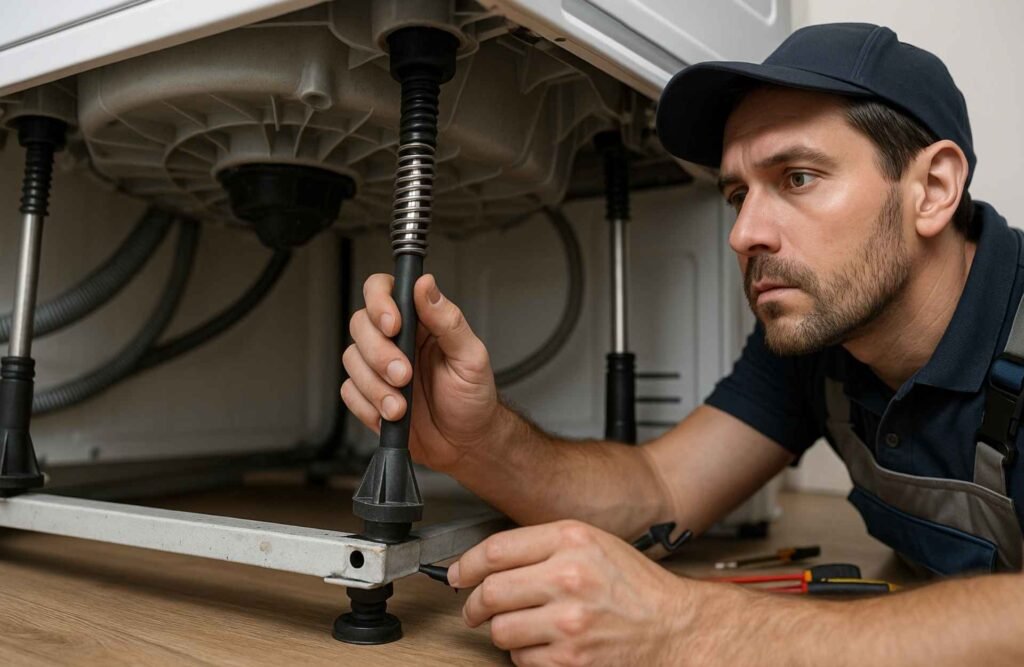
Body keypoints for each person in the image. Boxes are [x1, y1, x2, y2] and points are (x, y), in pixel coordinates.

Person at [341, 23, 1024, 666]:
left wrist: (692, 626)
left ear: (932, 188)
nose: (744, 233)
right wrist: (481, 442)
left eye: (797, 177)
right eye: (736, 193)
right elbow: (661, 486)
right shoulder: (823, 336)